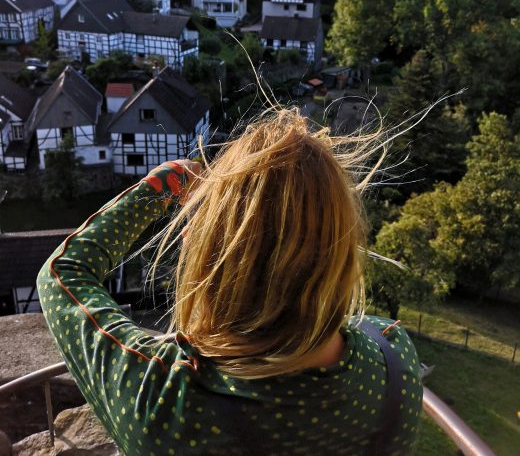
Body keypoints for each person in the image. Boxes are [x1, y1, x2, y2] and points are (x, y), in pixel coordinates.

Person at [38, 108, 422, 455]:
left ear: (210, 253)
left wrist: (161, 186)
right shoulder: (393, 363)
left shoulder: (160, 396)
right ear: (340, 250)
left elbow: (62, 273)